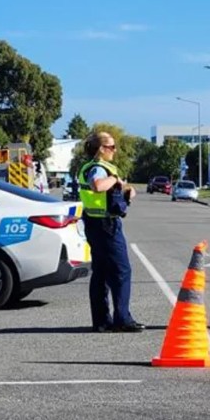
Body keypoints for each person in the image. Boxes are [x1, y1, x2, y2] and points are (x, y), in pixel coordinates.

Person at [77, 131, 144, 333]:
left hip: (95, 223)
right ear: (100, 149)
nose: (115, 150)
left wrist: (126, 191)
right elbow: (97, 186)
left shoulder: (93, 167)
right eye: (111, 147)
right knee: (121, 271)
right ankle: (122, 319)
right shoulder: (98, 168)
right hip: (105, 225)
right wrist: (115, 179)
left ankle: (101, 321)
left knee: (101, 272)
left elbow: (108, 190)